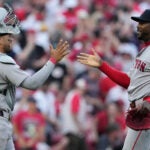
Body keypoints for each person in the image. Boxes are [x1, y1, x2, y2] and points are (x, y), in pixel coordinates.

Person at [77, 9, 150, 150]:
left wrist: (147, 103)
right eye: (138, 23)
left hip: (146, 115)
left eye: (143, 23)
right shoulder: (145, 50)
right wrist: (102, 66)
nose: (138, 26)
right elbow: (129, 81)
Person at [0, 4, 69, 150]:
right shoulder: (3, 62)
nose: (12, 38)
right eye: (8, 35)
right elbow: (32, 83)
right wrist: (53, 60)